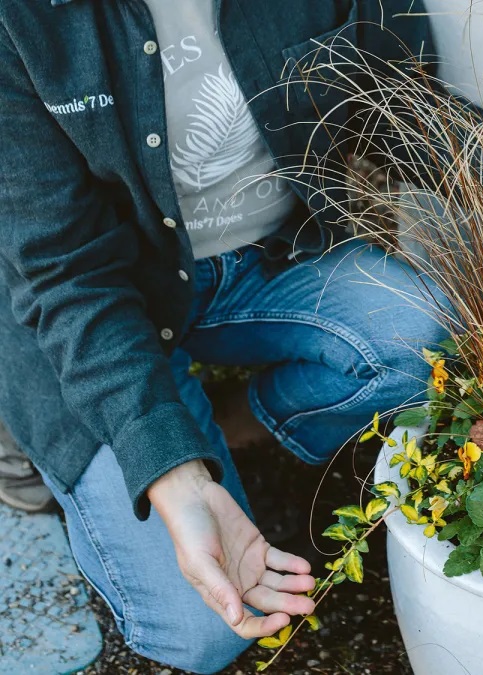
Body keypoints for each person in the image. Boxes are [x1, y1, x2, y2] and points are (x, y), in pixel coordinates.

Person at [0, 2, 444, 673]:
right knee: (202, 631)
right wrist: (170, 471)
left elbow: (406, 100)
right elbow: (66, 273)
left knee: (422, 339)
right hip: (100, 304)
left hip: (261, 264)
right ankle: (40, 442)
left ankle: (231, 425)